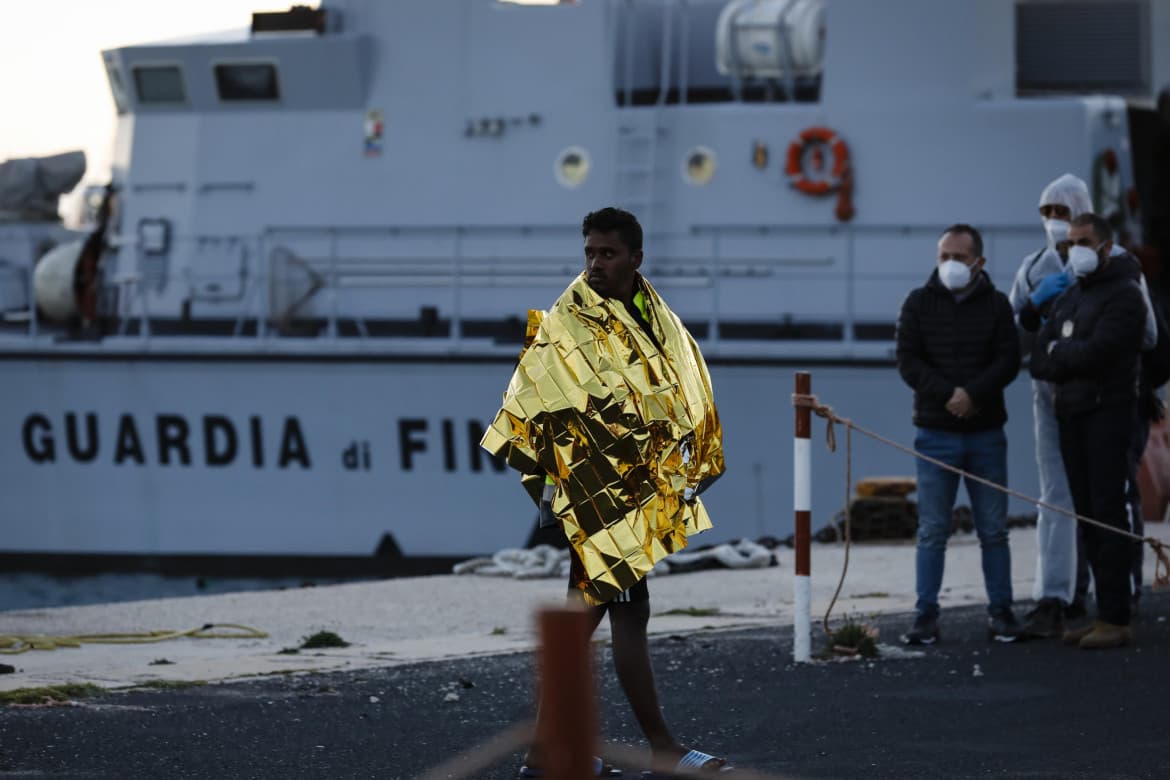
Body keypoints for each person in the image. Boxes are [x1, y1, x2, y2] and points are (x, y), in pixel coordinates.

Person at [481, 207, 734, 776]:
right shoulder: (573, 318)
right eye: (590, 252)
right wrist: (555, 488)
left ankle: (546, 752)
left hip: (633, 488)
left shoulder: (650, 312)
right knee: (625, 616)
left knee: (589, 619)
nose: (595, 263)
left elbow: (673, 385)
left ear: (635, 259)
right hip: (599, 494)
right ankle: (660, 749)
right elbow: (537, 397)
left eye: (607, 254)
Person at [1022, 213, 1146, 649]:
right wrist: (1062, 351)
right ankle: (1101, 613)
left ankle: (1116, 616)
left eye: (1082, 241)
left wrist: (1062, 351)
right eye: (1069, 242)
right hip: (1071, 415)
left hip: (1108, 414)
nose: (1073, 249)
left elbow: (1102, 352)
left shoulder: (1126, 295)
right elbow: (1038, 357)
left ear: (1106, 247)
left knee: (1108, 513)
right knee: (1087, 516)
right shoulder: (1073, 295)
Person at [896, 224, 1021, 645]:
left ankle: (1002, 612)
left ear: (979, 262)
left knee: (994, 529)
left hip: (986, 435)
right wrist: (949, 395)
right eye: (943, 256)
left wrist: (973, 395)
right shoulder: (917, 303)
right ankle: (925, 615)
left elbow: (1008, 359)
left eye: (959, 257)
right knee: (932, 530)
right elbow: (908, 361)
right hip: (935, 434)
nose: (950, 264)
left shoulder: (998, 306)